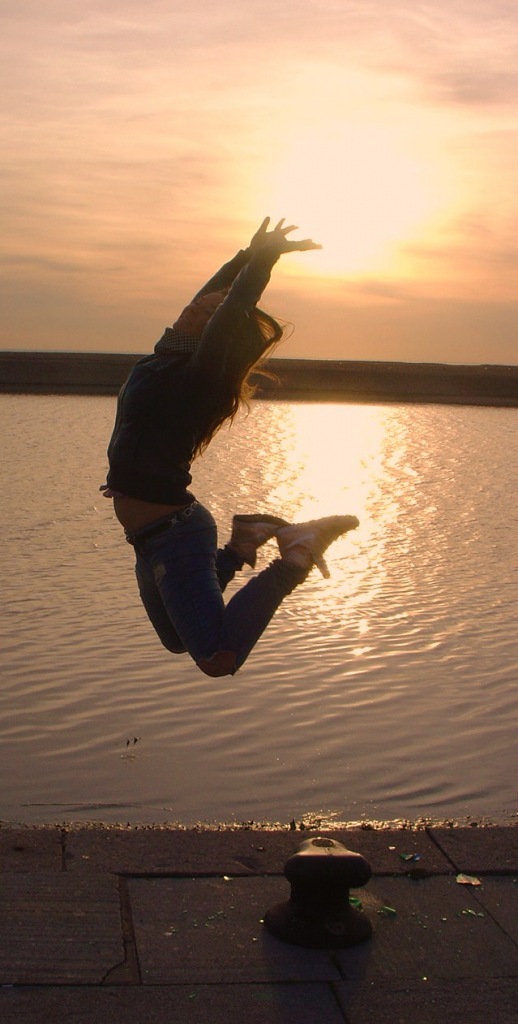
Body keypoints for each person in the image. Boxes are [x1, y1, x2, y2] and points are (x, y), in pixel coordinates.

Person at [101, 218, 359, 677]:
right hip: (151, 538)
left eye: (205, 312)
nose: (192, 306)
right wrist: (247, 254)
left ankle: (298, 552)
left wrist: (264, 261)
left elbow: (231, 307)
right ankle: (242, 544)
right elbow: (219, 296)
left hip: (175, 535)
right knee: (178, 640)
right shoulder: (165, 357)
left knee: (218, 658)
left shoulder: (197, 377)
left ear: (214, 337)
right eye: (196, 304)